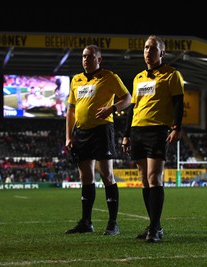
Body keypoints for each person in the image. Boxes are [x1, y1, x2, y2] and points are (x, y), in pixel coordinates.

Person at [122, 35, 185, 243]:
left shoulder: (171, 75)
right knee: (144, 180)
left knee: (154, 178)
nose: (148, 51)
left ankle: (156, 228)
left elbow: (178, 103)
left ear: (162, 53)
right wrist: (126, 134)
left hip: (158, 130)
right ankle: (153, 225)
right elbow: (133, 107)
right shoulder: (138, 77)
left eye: (153, 48)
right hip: (137, 130)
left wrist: (176, 127)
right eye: (146, 48)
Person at [65, 44, 131, 235]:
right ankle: (86, 222)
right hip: (82, 132)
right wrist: (69, 136)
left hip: (102, 130)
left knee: (106, 175)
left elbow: (127, 98)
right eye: (84, 56)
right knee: (85, 177)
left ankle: (113, 223)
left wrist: (112, 108)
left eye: (90, 56)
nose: (86, 59)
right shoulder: (76, 80)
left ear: (99, 59)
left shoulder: (109, 77)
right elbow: (70, 111)